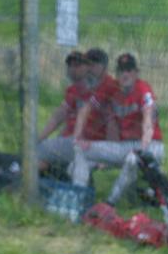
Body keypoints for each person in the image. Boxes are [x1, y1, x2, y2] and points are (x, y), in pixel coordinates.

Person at [70, 53, 163, 206]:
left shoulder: (143, 88)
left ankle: (110, 203)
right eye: (121, 71)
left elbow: (148, 117)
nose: (125, 74)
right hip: (124, 146)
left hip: (151, 145)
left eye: (129, 70)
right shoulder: (111, 87)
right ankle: (77, 200)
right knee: (80, 149)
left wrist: (143, 146)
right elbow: (86, 109)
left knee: (132, 160)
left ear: (136, 72)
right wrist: (77, 137)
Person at [36, 51, 90, 175]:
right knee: (41, 149)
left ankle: (22, 182)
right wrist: (40, 138)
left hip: (81, 143)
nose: (72, 69)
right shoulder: (72, 90)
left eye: (77, 65)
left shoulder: (92, 91)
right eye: (70, 66)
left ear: (87, 68)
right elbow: (58, 117)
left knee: (38, 152)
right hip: (67, 140)